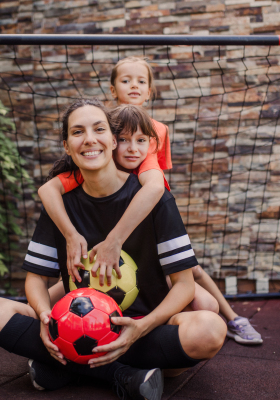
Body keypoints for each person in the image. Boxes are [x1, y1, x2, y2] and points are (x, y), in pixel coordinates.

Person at [0, 99, 227, 400]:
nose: (90, 139)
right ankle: (121, 374)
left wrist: (143, 326)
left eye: (99, 129)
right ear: (67, 146)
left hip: (139, 330)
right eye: (78, 132)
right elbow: (35, 280)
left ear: (111, 140)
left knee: (210, 329)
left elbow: (185, 285)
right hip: (72, 331)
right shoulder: (61, 207)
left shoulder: (156, 199)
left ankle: (68, 368)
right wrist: (45, 319)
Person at [39, 56, 263, 345]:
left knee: (196, 282)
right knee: (80, 269)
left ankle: (228, 318)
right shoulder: (99, 136)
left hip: (145, 226)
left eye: (141, 81)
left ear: (149, 91)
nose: (134, 86)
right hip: (104, 230)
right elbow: (48, 190)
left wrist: (118, 238)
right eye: (126, 80)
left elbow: (156, 186)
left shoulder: (153, 132)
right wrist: (71, 235)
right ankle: (47, 316)